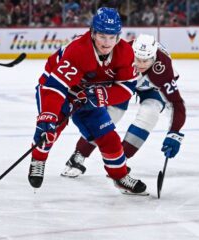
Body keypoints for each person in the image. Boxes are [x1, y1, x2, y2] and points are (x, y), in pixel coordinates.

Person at [29, 7, 148, 195]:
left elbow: (126, 89)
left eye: (112, 37)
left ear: (118, 35)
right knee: (50, 129)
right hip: (60, 90)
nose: (107, 43)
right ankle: (38, 159)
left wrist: (100, 96)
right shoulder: (79, 50)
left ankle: (120, 176)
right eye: (102, 36)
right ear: (93, 33)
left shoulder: (125, 52)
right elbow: (55, 87)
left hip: (89, 96)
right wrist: (48, 116)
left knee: (109, 138)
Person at [61, 34, 186, 178]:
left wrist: (174, 133)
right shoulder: (120, 54)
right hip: (125, 81)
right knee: (110, 117)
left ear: (154, 58)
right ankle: (79, 154)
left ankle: (121, 160)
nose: (141, 65)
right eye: (137, 59)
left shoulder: (164, 69)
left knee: (150, 114)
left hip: (150, 88)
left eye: (146, 61)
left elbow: (177, 104)